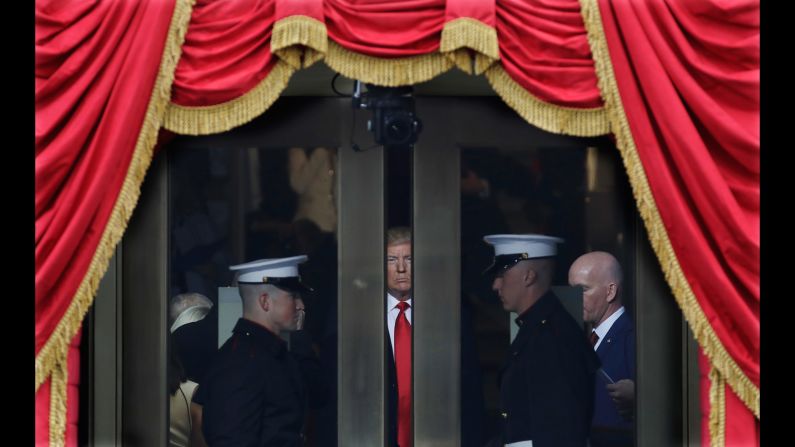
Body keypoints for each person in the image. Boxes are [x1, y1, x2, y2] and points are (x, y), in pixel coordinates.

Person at [192, 256, 324, 446]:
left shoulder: (277, 355)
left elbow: (319, 396)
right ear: (265, 301)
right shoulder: (240, 363)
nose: (300, 305)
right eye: (292, 296)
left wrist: (299, 341)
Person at [482, 234, 599, 447]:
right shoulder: (538, 329)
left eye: (503, 273)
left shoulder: (553, 336)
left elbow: (563, 430)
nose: (495, 285)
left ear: (528, 276)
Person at [384, 227, 485, 447]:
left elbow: (470, 388)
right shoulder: (360, 315)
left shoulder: (450, 313)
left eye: (409, 258)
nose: (401, 268)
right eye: (392, 260)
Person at [568, 252, 635, 447]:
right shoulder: (583, 338)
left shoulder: (632, 337)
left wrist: (640, 397)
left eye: (583, 289)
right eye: (572, 290)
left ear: (610, 291)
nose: (575, 298)